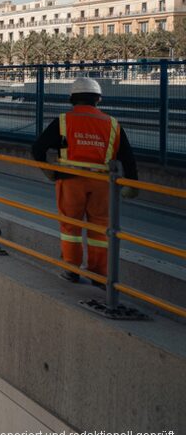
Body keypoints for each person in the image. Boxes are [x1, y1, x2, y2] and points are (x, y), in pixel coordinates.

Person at [31, 77, 138, 285]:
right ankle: (98, 274)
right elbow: (127, 157)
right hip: (102, 185)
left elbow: (38, 149)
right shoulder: (113, 125)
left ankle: (71, 269)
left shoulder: (63, 121)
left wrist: (49, 171)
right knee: (100, 228)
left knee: (71, 227)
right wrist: (132, 184)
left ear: (72, 98)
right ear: (98, 99)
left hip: (71, 182)